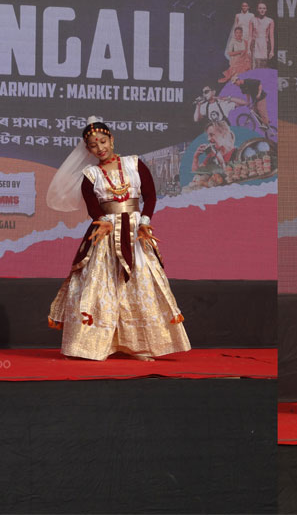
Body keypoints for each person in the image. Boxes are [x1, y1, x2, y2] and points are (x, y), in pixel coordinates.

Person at [46, 117, 190, 361]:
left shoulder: (134, 163)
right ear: (88, 149)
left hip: (136, 232)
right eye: (93, 145)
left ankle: (139, 345)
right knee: (102, 285)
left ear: (112, 139)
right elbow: (93, 208)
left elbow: (151, 197)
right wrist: (101, 221)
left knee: (139, 284)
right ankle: (92, 345)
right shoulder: (90, 174)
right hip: (107, 233)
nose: (100, 148)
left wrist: (144, 223)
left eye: (103, 141)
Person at [250, 1, 274, 68]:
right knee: (254, 65)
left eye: (264, 8)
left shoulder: (270, 21)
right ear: (257, 9)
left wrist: (272, 50)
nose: (262, 10)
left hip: (265, 44)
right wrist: (248, 49)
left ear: (266, 9)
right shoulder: (252, 20)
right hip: (255, 44)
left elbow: (271, 37)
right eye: (260, 8)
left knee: (264, 66)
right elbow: (250, 36)